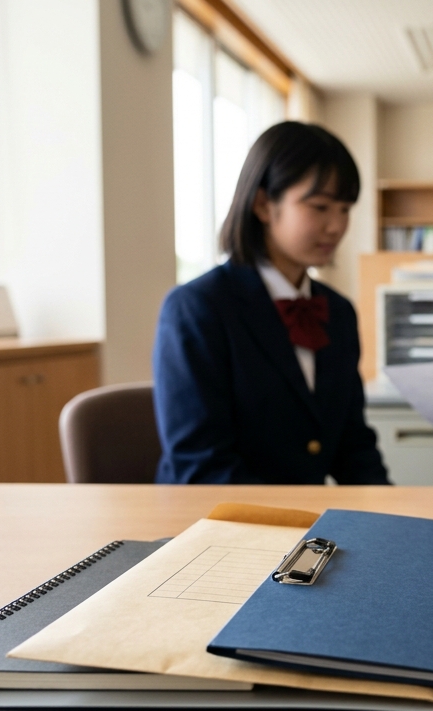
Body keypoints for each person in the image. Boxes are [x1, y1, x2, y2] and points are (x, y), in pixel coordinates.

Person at [153, 122, 389, 484]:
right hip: (216, 526)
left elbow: (353, 446)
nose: (336, 226)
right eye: (321, 207)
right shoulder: (197, 307)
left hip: (306, 531)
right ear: (264, 204)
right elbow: (201, 465)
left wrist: (395, 522)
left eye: (345, 209)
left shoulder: (338, 311)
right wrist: (297, 529)